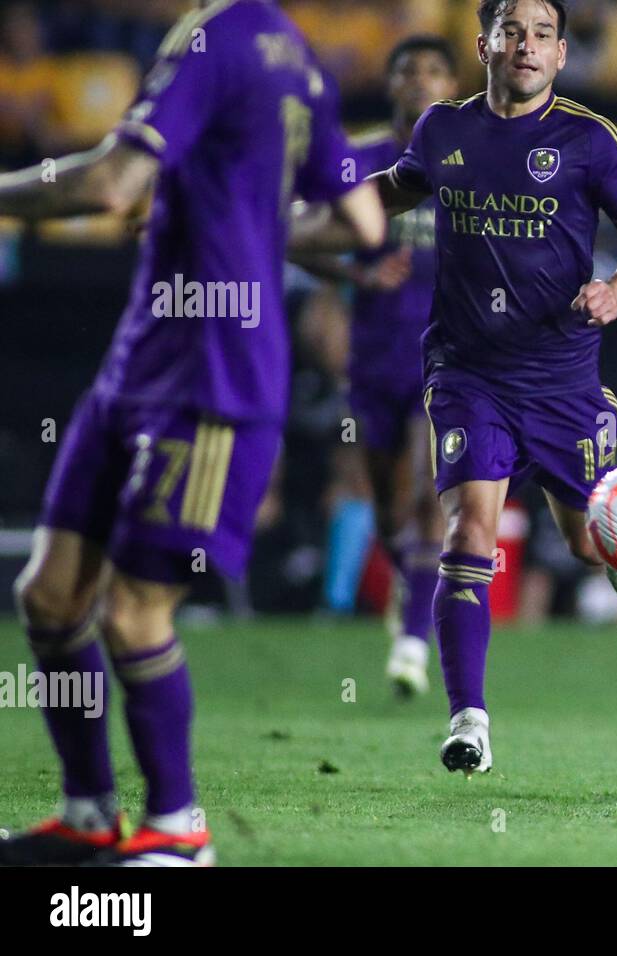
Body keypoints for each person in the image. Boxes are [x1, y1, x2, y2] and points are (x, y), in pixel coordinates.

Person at [0, 0, 384, 865]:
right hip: (142, 363)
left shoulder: (213, 38)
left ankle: (179, 829)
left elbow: (110, 185)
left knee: (134, 617)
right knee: (52, 597)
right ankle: (89, 814)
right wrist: (254, 229)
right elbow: (361, 222)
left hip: (212, 378)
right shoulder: (297, 55)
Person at [293, 0, 617, 776]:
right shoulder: (444, 130)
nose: (525, 46)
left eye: (540, 35)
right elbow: (395, 191)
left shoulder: (590, 141)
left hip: (562, 375)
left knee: (583, 543)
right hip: (467, 371)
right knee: (469, 528)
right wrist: (314, 217)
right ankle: (469, 718)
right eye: (511, 32)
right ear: (485, 44)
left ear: (561, 53)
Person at [292, 36, 458, 696]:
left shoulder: (467, 162)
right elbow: (294, 234)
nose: (420, 81)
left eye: (434, 70)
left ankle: (415, 644)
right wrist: (355, 269)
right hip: (373, 362)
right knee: (389, 509)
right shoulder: (359, 160)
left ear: (453, 85)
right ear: (389, 84)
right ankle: (409, 594)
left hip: (447, 358)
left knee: (426, 498)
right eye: (407, 70)